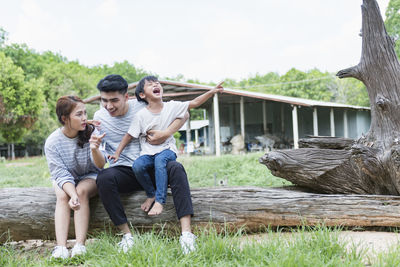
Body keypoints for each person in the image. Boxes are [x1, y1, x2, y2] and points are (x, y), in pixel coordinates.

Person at [90, 74, 196, 254]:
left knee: (176, 168)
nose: (109, 106)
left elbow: (184, 113)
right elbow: (100, 163)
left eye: (114, 100)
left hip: (153, 165)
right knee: (104, 178)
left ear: (127, 97)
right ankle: (126, 236)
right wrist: (94, 148)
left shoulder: (142, 105)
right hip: (125, 171)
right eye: (104, 101)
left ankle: (186, 235)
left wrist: (165, 133)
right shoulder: (99, 117)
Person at [110, 76, 223, 216]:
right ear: (142, 95)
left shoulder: (172, 106)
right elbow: (129, 135)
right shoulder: (141, 115)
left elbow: (194, 103)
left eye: (157, 83)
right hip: (148, 152)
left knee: (160, 161)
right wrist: (117, 153)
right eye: (150, 85)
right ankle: (151, 194)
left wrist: (211, 92)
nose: (156, 85)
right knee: (137, 166)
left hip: (167, 150)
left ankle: (159, 200)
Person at [44, 96, 106, 259]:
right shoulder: (52, 142)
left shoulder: (92, 132)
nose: (85, 118)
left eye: (85, 113)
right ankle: (61, 248)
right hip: (65, 178)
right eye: (79, 114)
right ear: (65, 118)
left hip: (90, 175)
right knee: (62, 196)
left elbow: (101, 165)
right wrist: (72, 195)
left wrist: (94, 149)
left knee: (82, 191)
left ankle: (79, 245)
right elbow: (60, 174)